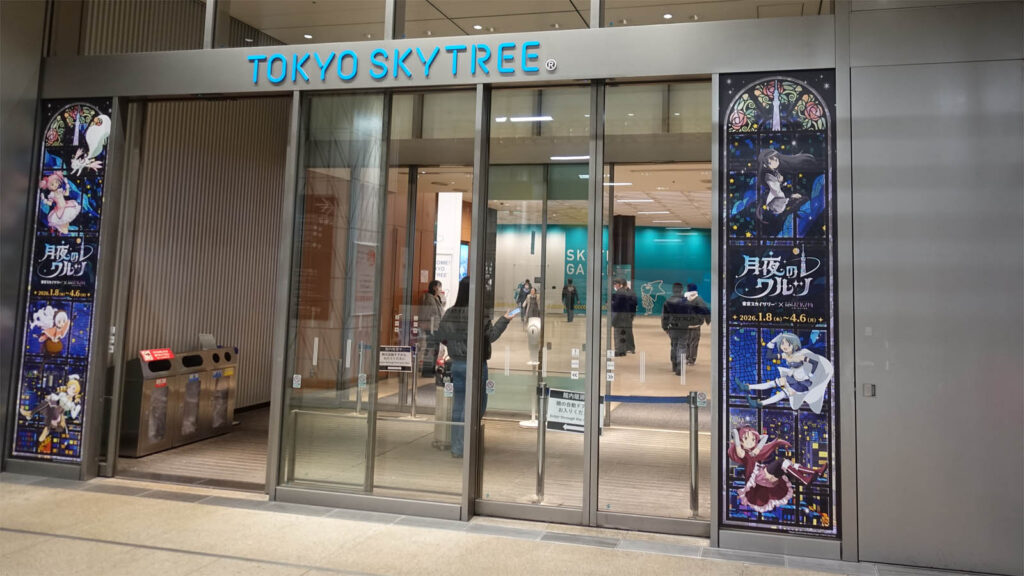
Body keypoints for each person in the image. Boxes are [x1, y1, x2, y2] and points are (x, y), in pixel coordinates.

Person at [436, 275, 514, 458]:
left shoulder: (450, 313)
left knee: (458, 405)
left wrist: (454, 347)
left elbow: (442, 336)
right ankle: (468, 445)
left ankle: (457, 447)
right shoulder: (479, 314)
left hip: (456, 364)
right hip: (476, 365)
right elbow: (491, 336)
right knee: (477, 405)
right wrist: (505, 319)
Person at [727, 426, 826, 513]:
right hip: (759, 477)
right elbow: (735, 434)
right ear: (741, 442)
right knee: (781, 462)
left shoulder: (754, 452)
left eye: (753, 439)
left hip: (765, 476)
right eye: (746, 439)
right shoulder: (743, 454)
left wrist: (755, 438)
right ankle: (805, 479)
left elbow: (765, 437)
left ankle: (816, 472)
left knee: (788, 464)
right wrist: (738, 433)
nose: (751, 441)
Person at [739, 332, 834, 414]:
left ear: (794, 345)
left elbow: (815, 363)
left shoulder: (800, 355)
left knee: (784, 392)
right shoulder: (786, 355)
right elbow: (769, 356)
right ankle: (748, 387)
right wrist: (774, 341)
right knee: (776, 382)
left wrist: (810, 375)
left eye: (788, 344)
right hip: (794, 379)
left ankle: (759, 403)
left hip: (803, 384)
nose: (784, 346)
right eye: (782, 343)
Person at [755, 148, 817, 237]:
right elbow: (777, 192)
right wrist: (790, 195)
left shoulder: (776, 171)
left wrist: (782, 182)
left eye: (774, 157)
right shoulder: (768, 177)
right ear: (765, 165)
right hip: (778, 202)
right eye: (770, 161)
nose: (774, 160)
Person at [680, 283, 711, 366]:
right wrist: (708, 320)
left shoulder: (684, 299)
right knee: (694, 342)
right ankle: (691, 359)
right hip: (695, 324)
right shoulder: (698, 299)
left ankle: (686, 358)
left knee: (687, 342)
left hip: (685, 324)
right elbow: (705, 310)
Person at [661, 283, 688, 375]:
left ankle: (674, 365)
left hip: (672, 327)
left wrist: (665, 327)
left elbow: (664, 316)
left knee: (674, 345)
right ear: (682, 290)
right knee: (682, 347)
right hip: (684, 327)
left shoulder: (667, 301)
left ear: (673, 290)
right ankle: (680, 367)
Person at [419, 280, 444, 376]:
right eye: (439, 286)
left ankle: (431, 369)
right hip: (431, 328)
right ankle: (427, 371)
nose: (440, 289)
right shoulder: (429, 298)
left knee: (435, 348)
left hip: (436, 327)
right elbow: (426, 313)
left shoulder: (436, 298)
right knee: (431, 348)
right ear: (434, 287)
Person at [610, 278, 637, 356]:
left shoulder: (620, 292)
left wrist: (612, 304)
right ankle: (625, 349)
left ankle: (620, 350)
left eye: (615, 284)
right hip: (627, 316)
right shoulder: (627, 292)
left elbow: (617, 306)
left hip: (621, 317)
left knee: (619, 334)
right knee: (625, 333)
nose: (614, 286)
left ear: (620, 284)